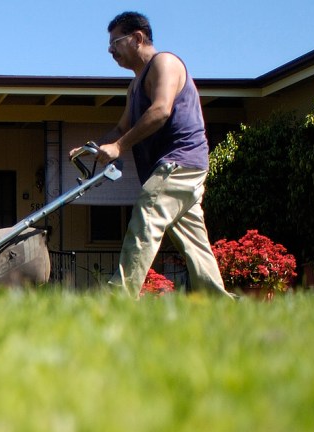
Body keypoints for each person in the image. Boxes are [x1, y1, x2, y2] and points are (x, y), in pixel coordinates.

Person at [72, 11, 233, 298]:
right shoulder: (134, 85)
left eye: (115, 42)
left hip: (179, 161)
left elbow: (160, 110)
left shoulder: (165, 63)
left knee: (146, 216)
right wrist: (94, 148)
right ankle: (221, 303)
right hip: (175, 167)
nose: (110, 50)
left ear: (137, 38)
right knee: (194, 242)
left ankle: (119, 297)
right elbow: (122, 127)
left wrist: (120, 147)